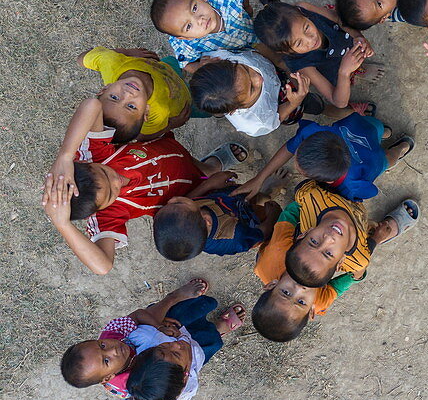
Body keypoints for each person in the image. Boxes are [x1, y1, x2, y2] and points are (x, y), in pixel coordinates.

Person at [42, 104, 237, 274]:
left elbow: (92, 106)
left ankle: (208, 167)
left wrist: (65, 157)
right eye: (111, 193)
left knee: (194, 165)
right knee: (205, 182)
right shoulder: (107, 217)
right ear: (98, 210)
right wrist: (63, 225)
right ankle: (212, 168)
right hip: (184, 194)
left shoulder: (94, 154)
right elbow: (103, 267)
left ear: (86, 162)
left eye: (105, 172)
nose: (116, 181)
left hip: (170, 151)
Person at [59, 278, 209, 400]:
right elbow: (157, 390)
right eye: (106, 360)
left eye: (102, 345)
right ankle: (216, 332)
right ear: (109, 377)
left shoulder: (112, 332)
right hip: (174, 356)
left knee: (162, 318)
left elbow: (138, 315)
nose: (113, 350)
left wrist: (158, 327)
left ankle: (173, 297)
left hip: (159, 332)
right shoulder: (128, 384)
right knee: (205, 344)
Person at [231, 113, 414, 202]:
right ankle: (394, 139)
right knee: (377, 129)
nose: (294, 160)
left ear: (327, 181)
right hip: (363, 127)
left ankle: (401, 147)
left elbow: (371, 192)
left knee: (386, 160)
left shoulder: (351, 185)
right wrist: (259, 179)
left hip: (374, 161)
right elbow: (290, 147)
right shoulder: (316, 134)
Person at [251, 200, 364, 342]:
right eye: (301, 302)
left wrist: (304, 203)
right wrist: (357, 273)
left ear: (272, 285)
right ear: (311, 311)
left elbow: (289, 214)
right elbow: (341, 285)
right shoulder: (320, 302)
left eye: (286, 293)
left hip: (267, 257)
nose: (299, 288)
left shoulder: (279, 248)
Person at [283, 181, 420, 287]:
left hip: (339, 197)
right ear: (341, 260)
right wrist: (376, 239)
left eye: (313, 242)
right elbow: (362, 261)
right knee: (365, 257)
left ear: (304, 233)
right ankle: (381, 233)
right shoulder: (358, 258)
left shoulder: (311, 196)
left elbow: (309, 184)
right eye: (329, 254)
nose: (328, 238)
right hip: (359, 224)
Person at [253, 0, 381, 111]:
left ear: (303, 15)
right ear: (286, 52)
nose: (310, 40)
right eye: (299, 43)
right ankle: (354, 72)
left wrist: (358, 37)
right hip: (336, 69)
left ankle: (358, 66)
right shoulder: (301, 64)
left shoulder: (304, 7)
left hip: (346, 44)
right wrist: (344, 73)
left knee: (354, 59)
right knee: (347, 74)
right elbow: (339, 102)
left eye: (307, 28)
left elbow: (338, 19)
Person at [125, 296, 247, 400]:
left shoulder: (149, 338)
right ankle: (218, 328)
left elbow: (137, 318)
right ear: (185, 376)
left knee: (201, 304)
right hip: (197, 352)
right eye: (176, 354)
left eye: (162, 347)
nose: (175, 344)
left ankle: (193, 302)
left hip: (174, 325)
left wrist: (158, 325)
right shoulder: (185, 390)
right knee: (213, 342)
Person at [189, 51, 323, 137]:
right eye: (252, 88)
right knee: (296, 106)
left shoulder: (220, 59)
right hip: (281, 104)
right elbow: (277, 118)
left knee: (288, 83)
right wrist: (294, 103)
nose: (258, 78)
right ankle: (304, 104)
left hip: (277, 77)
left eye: (246, 70)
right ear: (234, 110)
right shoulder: (254, 122)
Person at [150, 0, 266, 68]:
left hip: (258, 33)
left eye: (194, 8)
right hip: (243, 56)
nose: (199, 19)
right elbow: (186, 64)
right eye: (189, 26)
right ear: (185, 37)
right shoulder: (188, 44)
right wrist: (201, 67)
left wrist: (246, 6)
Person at [77, 46, 192, 143]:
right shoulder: (158, 112)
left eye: (114, 97)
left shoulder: (111, 62)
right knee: (204, 108)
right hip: (185, 99)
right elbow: (142, 136)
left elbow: (80, 59)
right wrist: (171, 124)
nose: (127, 94)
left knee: (175, 60)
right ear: (146, 111)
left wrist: (126, 52)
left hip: (165, 68)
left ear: (104, 89)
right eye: (131, 106)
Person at [152, 187, 280, 261]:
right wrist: (272, 215)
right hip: (252, 221)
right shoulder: (233, 238)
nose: (172, 199)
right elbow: (260, 234)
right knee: (265, 210)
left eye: (168, 204)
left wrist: (210, 183)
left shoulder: (189, 216)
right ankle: (271, 191)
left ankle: (264, 194)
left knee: (253, 196)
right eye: (177, 203)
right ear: (206, 219)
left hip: (233, 199)